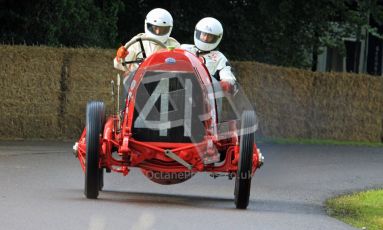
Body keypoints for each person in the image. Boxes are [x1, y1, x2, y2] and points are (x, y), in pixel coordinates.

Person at [181, 17, 237, 94]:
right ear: (197, 33)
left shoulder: (219, 58)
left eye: (210, 36)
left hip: (206, 99)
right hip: (180, 94)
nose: (205, 38)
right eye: (203, 34)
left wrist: (227, 83)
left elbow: (228, 75)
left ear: (216, 38)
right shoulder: (184, 49)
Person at [114, 8, 180, 73]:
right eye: (155, 28)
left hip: (163, 81)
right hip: (138, 81)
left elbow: (181, 68)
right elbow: (120, 65)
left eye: (162, 29)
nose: (157, 32)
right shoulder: (137, 42)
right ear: (147, 25)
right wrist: (120, 57)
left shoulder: (174, 45)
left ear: (169, 28)